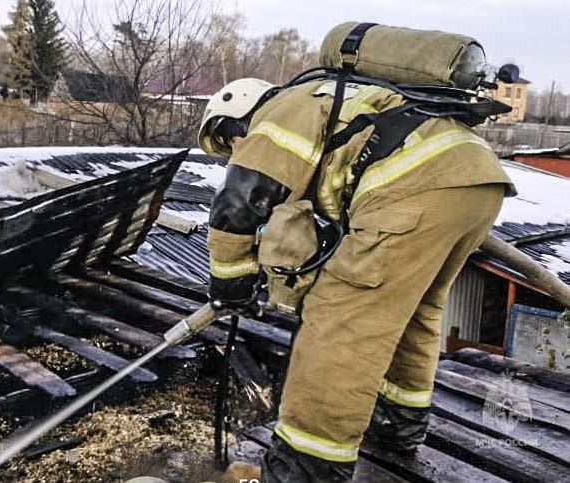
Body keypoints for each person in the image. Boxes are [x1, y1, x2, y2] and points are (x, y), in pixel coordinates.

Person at [198, 23, 516, 482]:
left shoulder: (277, 116)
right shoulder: (337, 98)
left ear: (238, 118)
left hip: (414, 187)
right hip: (478, 180)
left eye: (228, 141)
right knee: (415, 311)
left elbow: (236, 207)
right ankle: (394, 426)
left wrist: (230, 284)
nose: (234, 152)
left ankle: (306, 466)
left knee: (340, 320)